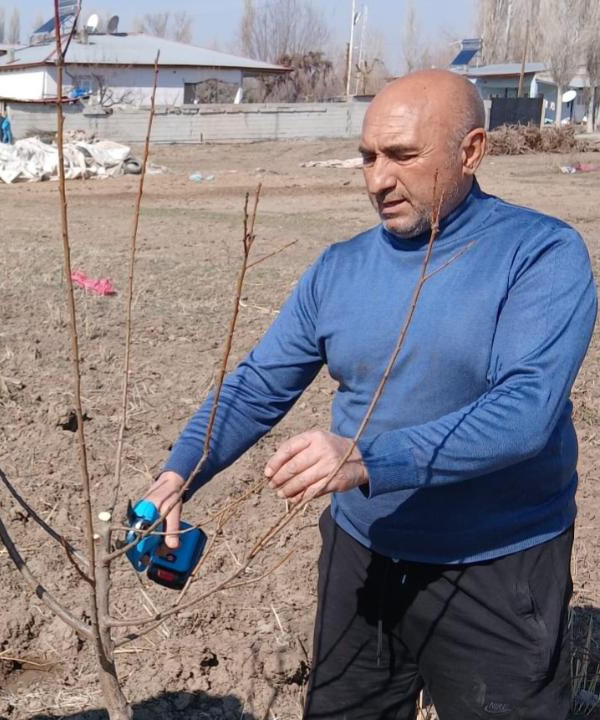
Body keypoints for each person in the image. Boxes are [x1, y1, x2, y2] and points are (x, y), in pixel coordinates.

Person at [143, 69, 596, 718]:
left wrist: (367, 459)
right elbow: (257, 387)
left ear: (471, 152)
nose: (377, 180)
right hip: (364, 556)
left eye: (403, 156)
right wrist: (177, 475)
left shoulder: (539, 254)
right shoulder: (341, 269)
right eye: (368, 157)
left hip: (496, 564)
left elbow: (525, 411)